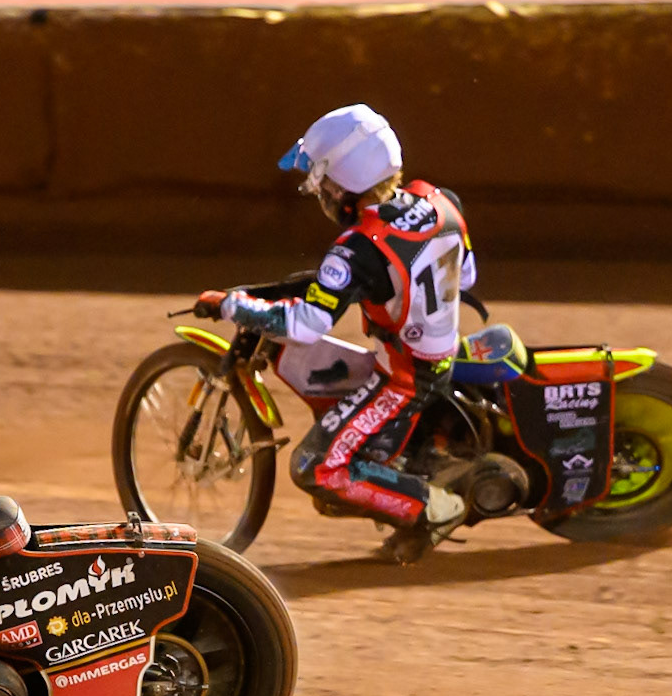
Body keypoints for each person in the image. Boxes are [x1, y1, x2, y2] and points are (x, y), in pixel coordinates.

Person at [194, 104, 478, 563]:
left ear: (343, 182)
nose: (321, 194)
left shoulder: (357, 248)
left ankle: (433, 507)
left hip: (404, 379)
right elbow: (466, 277)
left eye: (323, 183)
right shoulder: (442, 201)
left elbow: (307, 324)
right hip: (442, 352)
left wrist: (233, 306)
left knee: (315, 467)